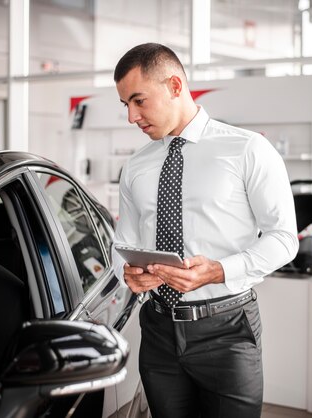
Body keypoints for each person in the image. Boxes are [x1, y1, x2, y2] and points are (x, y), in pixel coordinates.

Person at [112, 43, 298, 418]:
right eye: (126, 106)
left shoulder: (247, 150)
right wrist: (129, 274)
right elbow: (124, 245)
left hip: (227, 329)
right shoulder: (135, 166)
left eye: (139, 101)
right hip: (158, 328)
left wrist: (219, 270)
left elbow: (283, 238)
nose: (132, 116)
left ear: (175, 86)